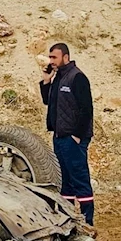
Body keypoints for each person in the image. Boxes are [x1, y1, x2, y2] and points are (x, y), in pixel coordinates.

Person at [39, 43, 95, 225]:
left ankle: (87, 221)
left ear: (66, 57)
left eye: (54, 57)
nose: (51, 61)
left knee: (79, 178)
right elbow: (48, 101)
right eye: (50, 58)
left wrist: (77, 136)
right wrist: (46, 80)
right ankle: (68, 220)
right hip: (59, 137)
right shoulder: (58, 77)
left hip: (73, 139)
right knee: (65, 181)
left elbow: (87, 109)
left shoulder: (77, 77)